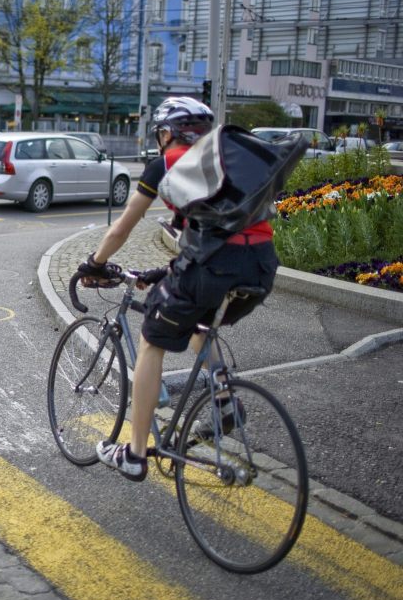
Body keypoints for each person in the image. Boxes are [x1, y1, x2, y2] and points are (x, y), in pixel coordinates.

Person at [78, 97, 278, 482]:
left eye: (161, 131)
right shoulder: (225, 164)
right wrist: (166, 270)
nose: (160, 138)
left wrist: (96, 262)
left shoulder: (167, 164)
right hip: (261, 266)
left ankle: (134, 454)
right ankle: (224, 405)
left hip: (215, 268)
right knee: (200, 323)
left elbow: (122, 228)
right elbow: (212, 232)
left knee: (152, 339)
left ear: (169, 132)